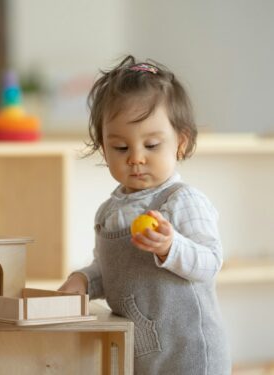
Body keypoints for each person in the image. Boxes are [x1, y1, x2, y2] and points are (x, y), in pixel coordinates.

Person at [58, 55, 231, 374]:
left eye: (151, 145)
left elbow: (210, 262)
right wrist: (82, 280)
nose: (136, 158)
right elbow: (111, 270)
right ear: (103, 149)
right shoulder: (109, 212)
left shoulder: (181, 201)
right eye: (121, 148)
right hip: (141, 355)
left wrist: (171, 246)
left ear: (181, 143)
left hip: (188, 353)